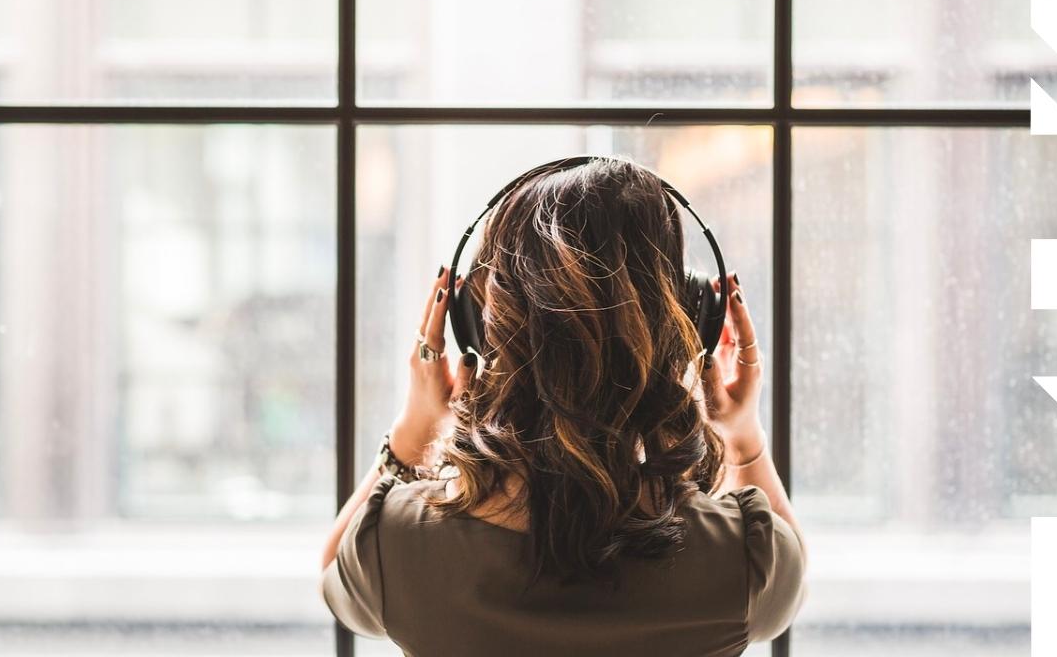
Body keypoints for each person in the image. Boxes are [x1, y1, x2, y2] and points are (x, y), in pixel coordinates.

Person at [319, 156, 807, 656]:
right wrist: (743, 435)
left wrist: (415, 427)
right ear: (691, 320)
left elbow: (335, 575)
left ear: (476, 327)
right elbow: (790, 585)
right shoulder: (742, 558)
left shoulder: (397, 545)